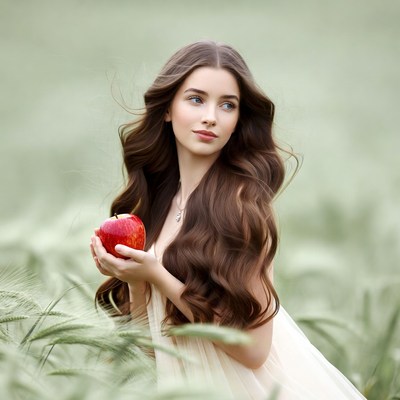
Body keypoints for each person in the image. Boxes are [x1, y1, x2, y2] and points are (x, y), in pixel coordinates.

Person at [90, 40, 366, 399]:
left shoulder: (241, 208)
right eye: (196, 99)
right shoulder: (155, 205)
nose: (211, 116)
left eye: (227, 105)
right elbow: (151, 350)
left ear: (238, 120)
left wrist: (157, 273)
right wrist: (135, 281)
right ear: (168, 109)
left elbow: (253, 350)